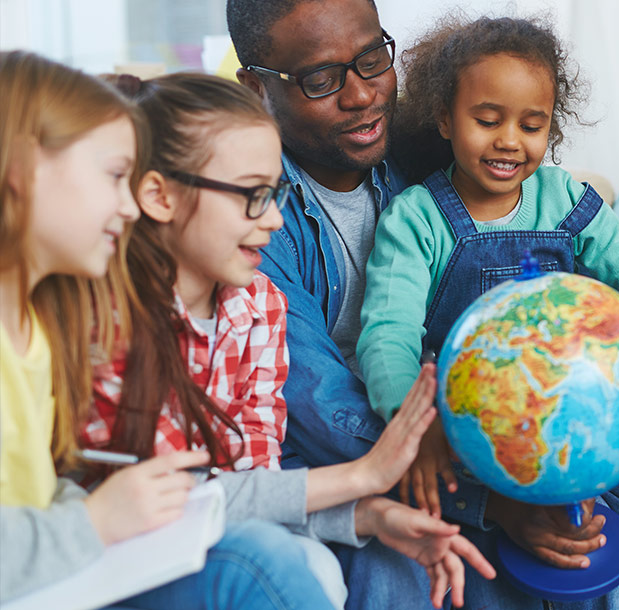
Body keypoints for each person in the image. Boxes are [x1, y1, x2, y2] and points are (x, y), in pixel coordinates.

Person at [227, 1, 619, 608]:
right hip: (419, 436)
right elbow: (342, 383)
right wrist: (478, 485)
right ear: (258, 87)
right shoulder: (259, 221)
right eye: (320, 78)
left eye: (371, 60)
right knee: (415, 576)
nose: (362, 95)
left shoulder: (422, 154)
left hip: (554, 412)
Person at [77, 72, 494, 609]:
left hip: (222, 534)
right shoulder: (109, 324)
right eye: (252, 196)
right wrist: (363, 476)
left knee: (326, 562)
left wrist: (365, 513)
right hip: (124, 558)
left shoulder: (258, 308)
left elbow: (253, 489)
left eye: (274, 193)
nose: (274, 219)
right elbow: (179, 509)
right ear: (159, 195)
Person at [0, 50, 336, 610]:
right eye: (113, 176)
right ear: (24, 171)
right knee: (260, 565)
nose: (128, 206)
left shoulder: (33, 328)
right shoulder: (81, 317)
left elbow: (34, 495)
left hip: (71, 566)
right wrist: (92, 520)